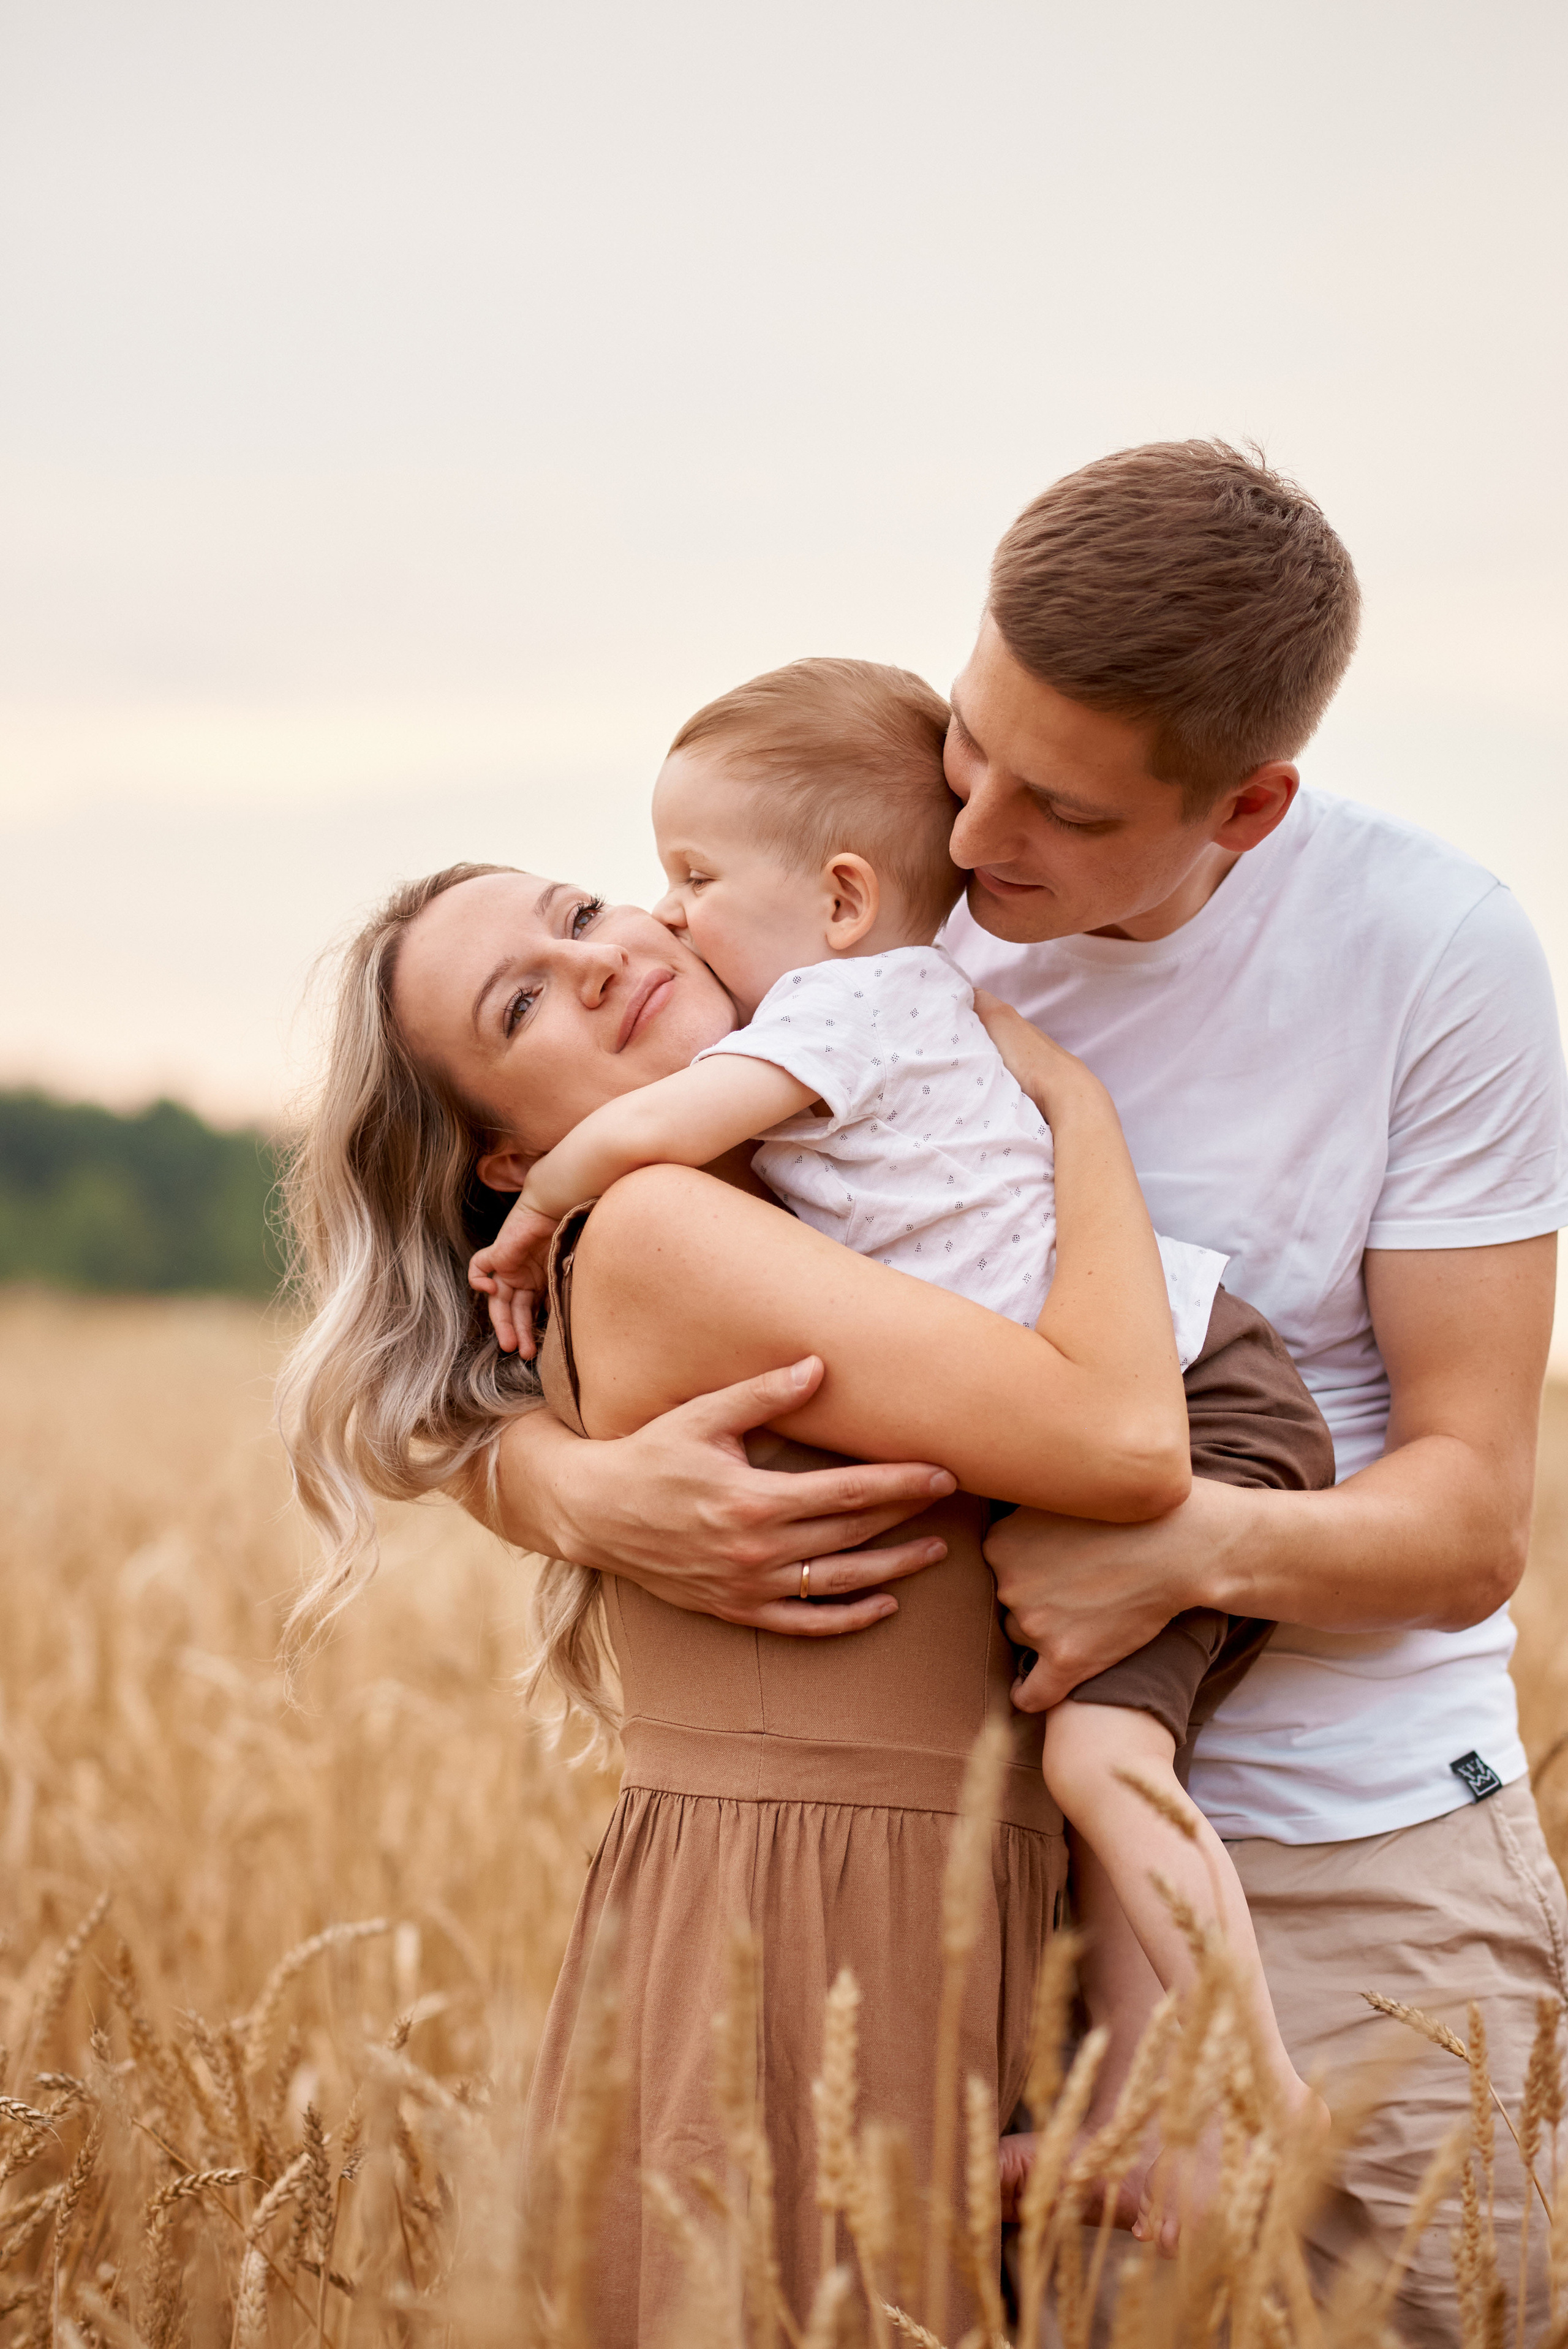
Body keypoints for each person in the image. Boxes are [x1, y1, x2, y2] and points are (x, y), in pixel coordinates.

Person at [479, 443, 1568, 2342]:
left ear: (1248, 804)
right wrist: (563, 1489)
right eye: (970, 747)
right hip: (967, 1886)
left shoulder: (1438, 960)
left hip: (1348, 1849)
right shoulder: (868, 886)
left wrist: (1166, 1544)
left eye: (1055, 809)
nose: (976, 842)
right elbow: (510, 1263)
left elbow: (1472, 1524)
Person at [276, 845, 1208, 2341]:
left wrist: (542, 1485)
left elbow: (445, 1411)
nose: (587, 960)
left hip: (924, 1909)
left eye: (579, 913)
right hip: (812, 1931)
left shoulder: (805, 1200)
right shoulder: (654, 1229)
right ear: (506, 1165)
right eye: (521, 1007)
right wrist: (1076, 1109)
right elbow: (1117, 1440)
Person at [467, 654, 1336, 2187]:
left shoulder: (829, 1032)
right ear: (479, 1140)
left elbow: (1127, 1451)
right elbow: (407, 1413)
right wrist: (543, 1477)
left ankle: (1228, 2096)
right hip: (833, 1887)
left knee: (1107, 1768)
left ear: (847, 897)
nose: (641, 929)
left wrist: (545, 1205)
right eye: (522, 997)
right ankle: (1168, 2115)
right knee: (1110, 1767)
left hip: (1199, 1406)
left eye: (609, 899)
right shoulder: (712, 1182)